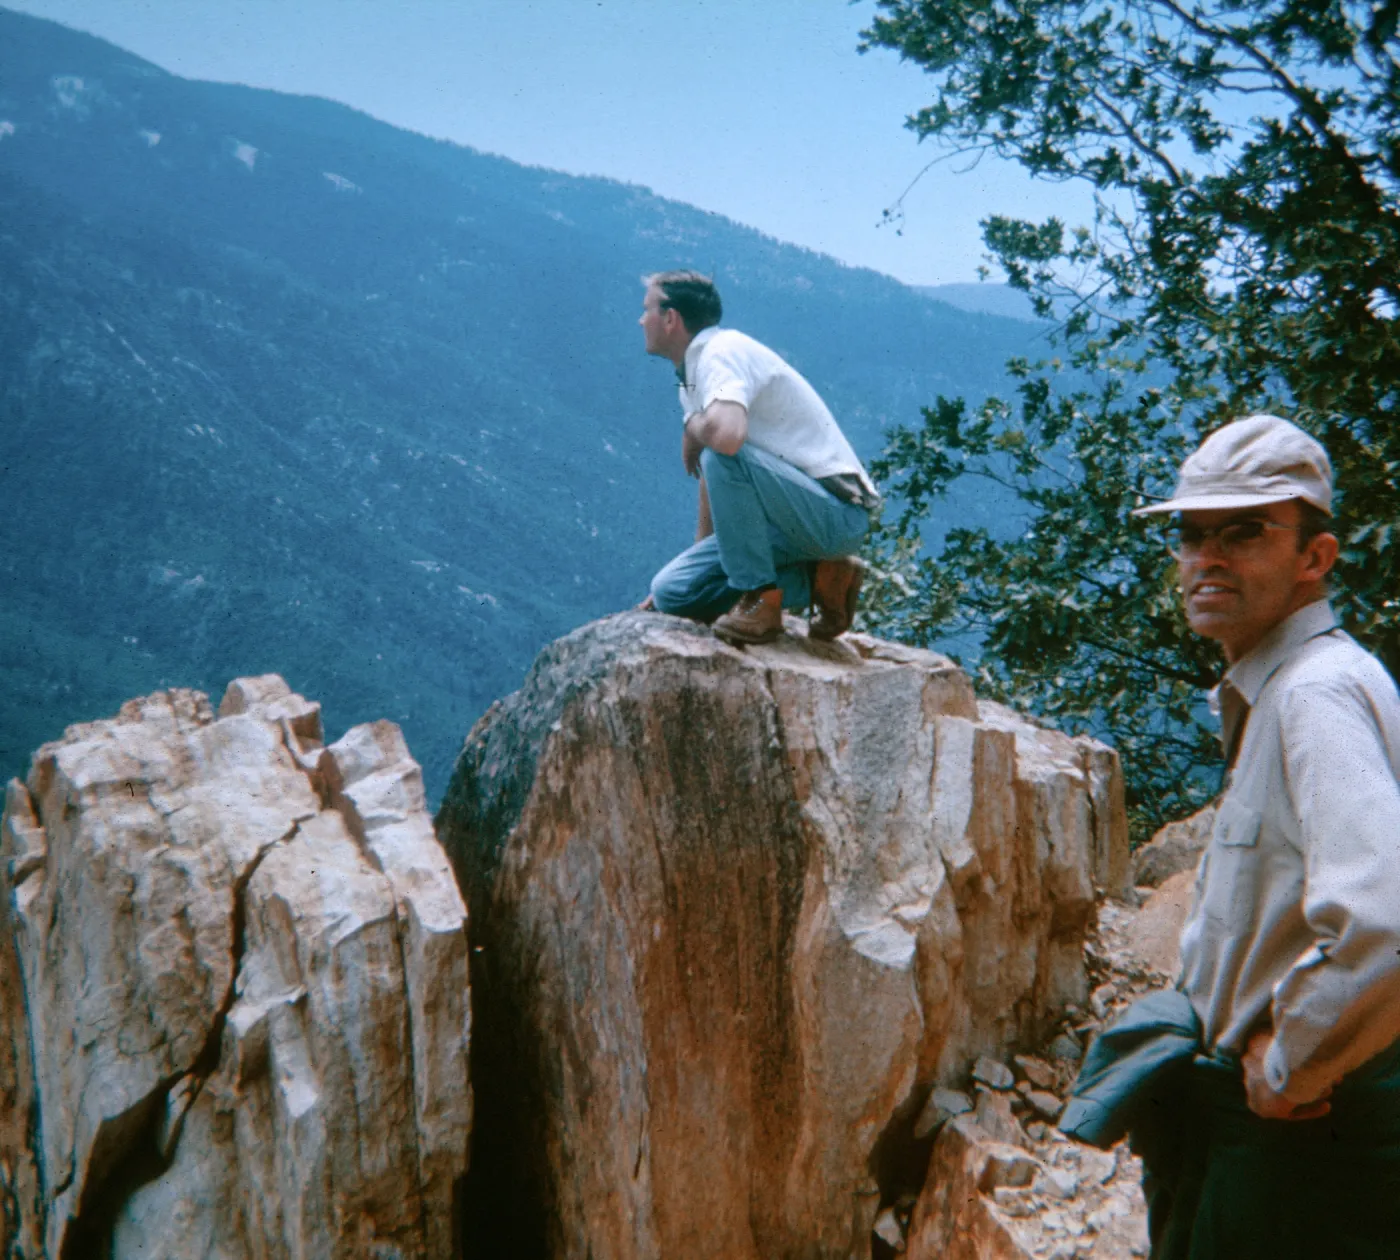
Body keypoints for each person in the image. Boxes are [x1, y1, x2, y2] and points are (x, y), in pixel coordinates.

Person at [1068, 414, 1400, 1258]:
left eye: (1244, 531)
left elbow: (1385, 922)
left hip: (1298, 1139)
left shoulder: (1314, 698)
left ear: (1314, 558)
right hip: (1268, 1128)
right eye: (1190, 533)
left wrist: (1290, 1062)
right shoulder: (1285, 686)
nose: (1206, 556)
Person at [636, 270, 879, 645]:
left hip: (835, 514)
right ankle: (821, 578)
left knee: (723, 455)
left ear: (671, 319)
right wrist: (697, 569)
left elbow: (728, 441)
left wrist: (692, 430)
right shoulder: (692, 373)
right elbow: (714, 481)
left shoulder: (720, 354)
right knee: (674, 592)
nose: (641, 320)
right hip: (788, 517)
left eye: (647, 309)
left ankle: (762, 600)